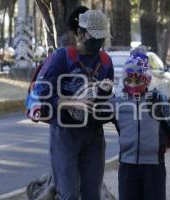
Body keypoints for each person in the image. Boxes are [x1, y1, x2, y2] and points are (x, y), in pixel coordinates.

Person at [35, 9, 113, 200]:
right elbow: (41, 92)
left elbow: (107, 98)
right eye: (93, 37)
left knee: (92, 195)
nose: (97, 43)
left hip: (94, 134)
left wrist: (103, 93)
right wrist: (72, 103)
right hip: (65, 133)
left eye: (101, 38)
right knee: (68, 194)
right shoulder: (62, 57)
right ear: (80, 33)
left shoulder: (105, 62)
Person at [99, 47, 170, 200]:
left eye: (138, 80)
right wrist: (102, 93)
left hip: (154, 167)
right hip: (127, 167)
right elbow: (96, 114)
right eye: (129, 80)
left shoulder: (157, 99)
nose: (133, 84)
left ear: (146, 79)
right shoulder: (118, 102)